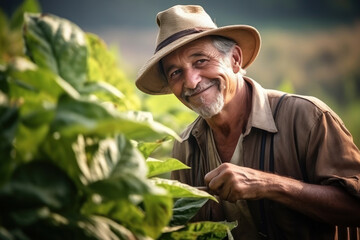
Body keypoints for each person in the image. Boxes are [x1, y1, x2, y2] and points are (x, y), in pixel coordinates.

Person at [135, 5, 360, 240]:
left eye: (200, 61)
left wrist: (268, 184)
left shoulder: (308, 117)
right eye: (175, 73)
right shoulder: (185, 145)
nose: (191, 82)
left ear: (234, 59)